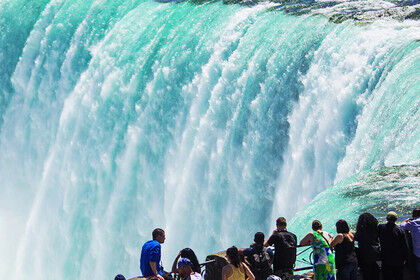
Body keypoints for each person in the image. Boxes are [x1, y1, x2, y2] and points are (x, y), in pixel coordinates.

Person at [378, 211, 409, 280]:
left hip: (386, 258)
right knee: (398, 277)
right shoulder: (400, 230)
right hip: (398, 260)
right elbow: (405, 246)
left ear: (387, 218)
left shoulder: (381, 227)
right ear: (396, 219)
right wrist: (406, 258)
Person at [354, 212, 380, 280]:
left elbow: (356, 237)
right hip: (375, 252)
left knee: (366, 273)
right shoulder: (376, 228)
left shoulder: (361, 230)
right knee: (375, 271)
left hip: (365, 253)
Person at [401, 208, 420, 278]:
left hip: (418, 253)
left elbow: (402, 226)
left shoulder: (412, 223)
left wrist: (405, 220)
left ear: (413, 216)